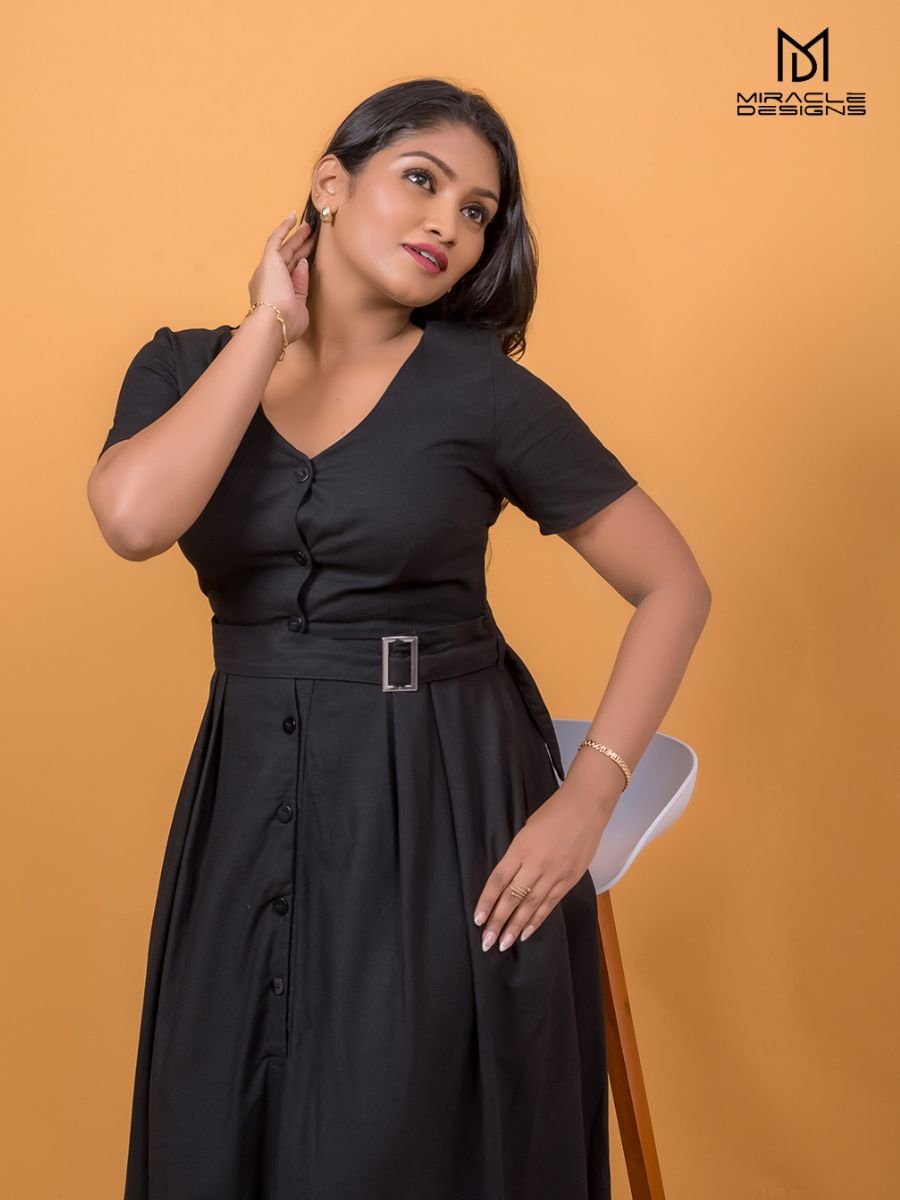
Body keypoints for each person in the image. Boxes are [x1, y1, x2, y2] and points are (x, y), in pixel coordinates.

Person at [87, 77, 711, 1200]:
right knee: (218, 1110)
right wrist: (268, 327)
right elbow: (135, 521)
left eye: (476, 211)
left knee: (397, 1131)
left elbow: (673, 584)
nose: (447, 225)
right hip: (250, 792)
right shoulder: (184, 366)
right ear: (330, 185)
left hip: (443, 797)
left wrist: (586, 799)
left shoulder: (484, 393)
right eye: (421, 181)